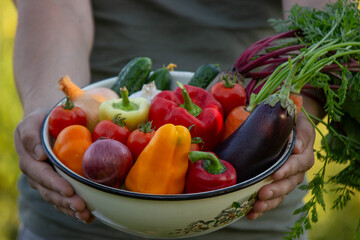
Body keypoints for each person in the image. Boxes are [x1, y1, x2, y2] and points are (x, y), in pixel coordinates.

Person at [13, 0, 328, 239]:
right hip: (78, 206)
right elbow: (58, 9)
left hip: (253, 208)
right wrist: (49, 113)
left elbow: (317, 20)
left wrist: (298, 109)